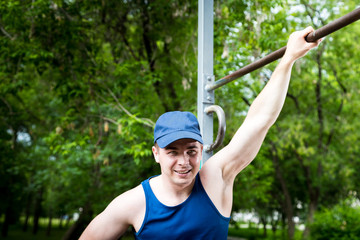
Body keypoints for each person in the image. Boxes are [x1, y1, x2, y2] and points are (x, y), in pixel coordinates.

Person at [79, 26, 322, 240]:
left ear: (202, 149)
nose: (183, 162)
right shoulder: (134, 203)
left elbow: (258, 121)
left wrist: (288, 58)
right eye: (172, 151)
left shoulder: (215, 179)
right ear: (156, 153)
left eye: (191, 151)